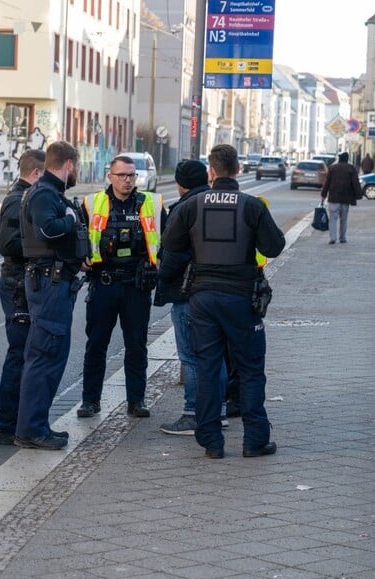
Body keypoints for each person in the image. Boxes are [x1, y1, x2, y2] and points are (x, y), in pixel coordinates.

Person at [160, 144, 285, 459]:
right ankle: (254, 441)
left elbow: (170, 244)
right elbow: (273, 247)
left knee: (207, 366)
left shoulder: (192, 205)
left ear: (211, 172)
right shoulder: (252, 205)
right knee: (251, 369)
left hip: (202, 297)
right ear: (238, 170)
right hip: (241, 298)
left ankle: (211, 442)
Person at [76, 155, 164, 420]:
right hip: (104, 283)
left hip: (137, 285)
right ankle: (90, 401)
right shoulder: (92, 203)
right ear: (110, 176)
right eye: (122, 175)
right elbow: (77, 237)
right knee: (96, 345)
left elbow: (168, 240)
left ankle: (136, 401)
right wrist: (80, 259)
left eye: (131, 175)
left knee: (136, 345)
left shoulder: (151, 203)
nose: (127, 180)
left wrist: (158, 264)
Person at [14, 140, 89, 449]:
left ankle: (38, 425)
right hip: (49, 284)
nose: (77, 171)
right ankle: (31, 430)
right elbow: (47, 230)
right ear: (68, 165)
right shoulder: (44, 194)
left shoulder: (51, 193)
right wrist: (71, 219)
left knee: (51, 355)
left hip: (55, 281)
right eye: (77, 166)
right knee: (45, 355)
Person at [155, 160, 211, 434]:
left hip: (187, 291)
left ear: (181, 184)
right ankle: (217, 411)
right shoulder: (217, 203)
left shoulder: (183, 208)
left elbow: (174, 253)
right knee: (213, 355)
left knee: (190, 356)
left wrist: (161, 274)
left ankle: (192, 413)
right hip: (215, 290)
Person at [0, 148, 46, 445]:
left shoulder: (27, 197)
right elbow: (9, 244)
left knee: (28, 354)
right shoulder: (18, 200)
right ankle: (8, 425)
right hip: (17, 284)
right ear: (36, 173)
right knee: (20, 354)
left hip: (23, 282)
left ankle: (19, 422)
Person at [320, 151, 363, 245]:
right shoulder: (351, 168)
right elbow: (355, 183)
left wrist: (323, 194)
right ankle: (342, 238)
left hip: (334, 197)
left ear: (339, 159)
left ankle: (333, 238)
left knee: (333, 218)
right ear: (347, 159)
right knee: (343, 219)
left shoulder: (332, 168)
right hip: (346, 198)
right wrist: (359, 195)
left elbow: (327, 183)